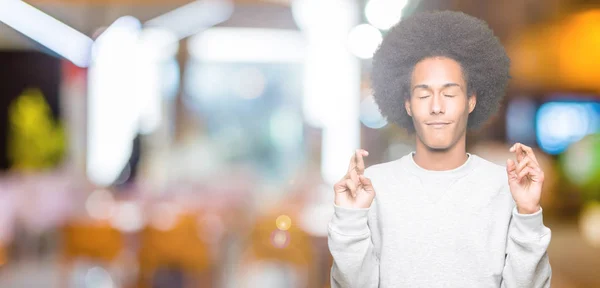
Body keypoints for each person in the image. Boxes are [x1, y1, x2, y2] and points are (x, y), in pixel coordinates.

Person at [328, 10, 551, 287]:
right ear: (408, 104)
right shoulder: (373, 186)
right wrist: (350, 219)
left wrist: (528, 212)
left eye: (449, 93)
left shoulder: (506, 187)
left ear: (470, 101)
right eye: (423, 94)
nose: (436, 106)